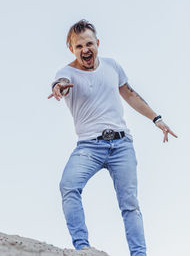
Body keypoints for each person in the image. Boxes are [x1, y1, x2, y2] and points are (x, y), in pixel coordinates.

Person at [47, 19, 178, 256]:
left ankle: (139, 254)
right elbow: (62, 83)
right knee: (69, 186)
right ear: (72, 50)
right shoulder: (66, 73)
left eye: (89, 44)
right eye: (79, 47)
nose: (85, 50)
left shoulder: (112, 66)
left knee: (130, 205)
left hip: (121, 145)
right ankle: (82, 248)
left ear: (97, 43)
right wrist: (59, 87)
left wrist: (157, 119)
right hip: (89, 147)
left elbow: (130, 94)